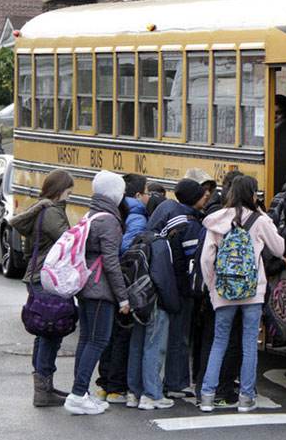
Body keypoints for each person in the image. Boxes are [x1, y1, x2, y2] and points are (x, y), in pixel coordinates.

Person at [199, 175, 286, 413]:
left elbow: (206, 259)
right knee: (249, 344)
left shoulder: (216, 220)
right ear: (253, 194)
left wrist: (212, 288)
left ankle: (207, 395)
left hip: (224, 291)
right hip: (252, 292)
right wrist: (263, 214)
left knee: (219, 342)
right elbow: (279, 248)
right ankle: (246, 398)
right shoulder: (259, 220)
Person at [63, 170, 130, 415]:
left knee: (86, 340)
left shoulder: (91, 215)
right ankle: (79, 394)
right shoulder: (110, 221)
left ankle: (79, 392)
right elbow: (111, 263)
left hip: (86, 287)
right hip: (101, 291)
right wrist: (123, 297)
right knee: (98, 341)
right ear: (115, 194)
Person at [9, 169, 74, 407]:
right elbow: (67, 240)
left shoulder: (42, 208)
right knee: (50, 333)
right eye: (68, 189)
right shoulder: (52, 212)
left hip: (37, 274)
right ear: (60, 190)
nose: (70, 194)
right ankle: (43, 390)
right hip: (48, 277)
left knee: (44, 332)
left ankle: (44, 386)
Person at [147, 178, 208, 399]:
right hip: (181, 289)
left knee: (173, 334)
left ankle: (174, 380)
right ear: (194, 198)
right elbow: (192, 261)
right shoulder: (189, 223)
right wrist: (195, 290)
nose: (206, 197)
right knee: (180, 336)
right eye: (202, 194)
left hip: (169, 284)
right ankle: (176, 382)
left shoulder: (175, 215)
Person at [95, 173, 150, 404]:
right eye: (147, 192)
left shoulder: (113, 211)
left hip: (108, 280)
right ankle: (116, 386)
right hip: (124, 281)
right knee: (122, 336)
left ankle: (104, 383)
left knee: (109, 336)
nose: (149, 197)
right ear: (137, 195)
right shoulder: (137, 216)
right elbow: (126, 249)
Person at [193, 169, 245, 407]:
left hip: (212, 288)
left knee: (210, 339)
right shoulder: (240, 219)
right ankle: (223, 389)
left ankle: (204, 388)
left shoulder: (211, 215)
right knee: (228, 339)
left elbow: (204, 258)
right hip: (230, 290)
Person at [126, 212, 183, 410]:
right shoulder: (161, 243)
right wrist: (173, 303)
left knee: (137, 346)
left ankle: (133, 392)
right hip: (155, 303)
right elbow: (163, 278)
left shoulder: (139, 238)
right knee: (154, 347)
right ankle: (151, 395)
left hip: (138, 301)